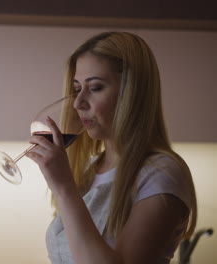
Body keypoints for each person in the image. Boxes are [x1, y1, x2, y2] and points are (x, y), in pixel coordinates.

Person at [26, 32, 197, 264]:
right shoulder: (89, 170)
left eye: (95, 87)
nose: (78, 103)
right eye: (77, 89)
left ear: (132, 93)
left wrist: (64, 189)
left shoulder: (160, 173)